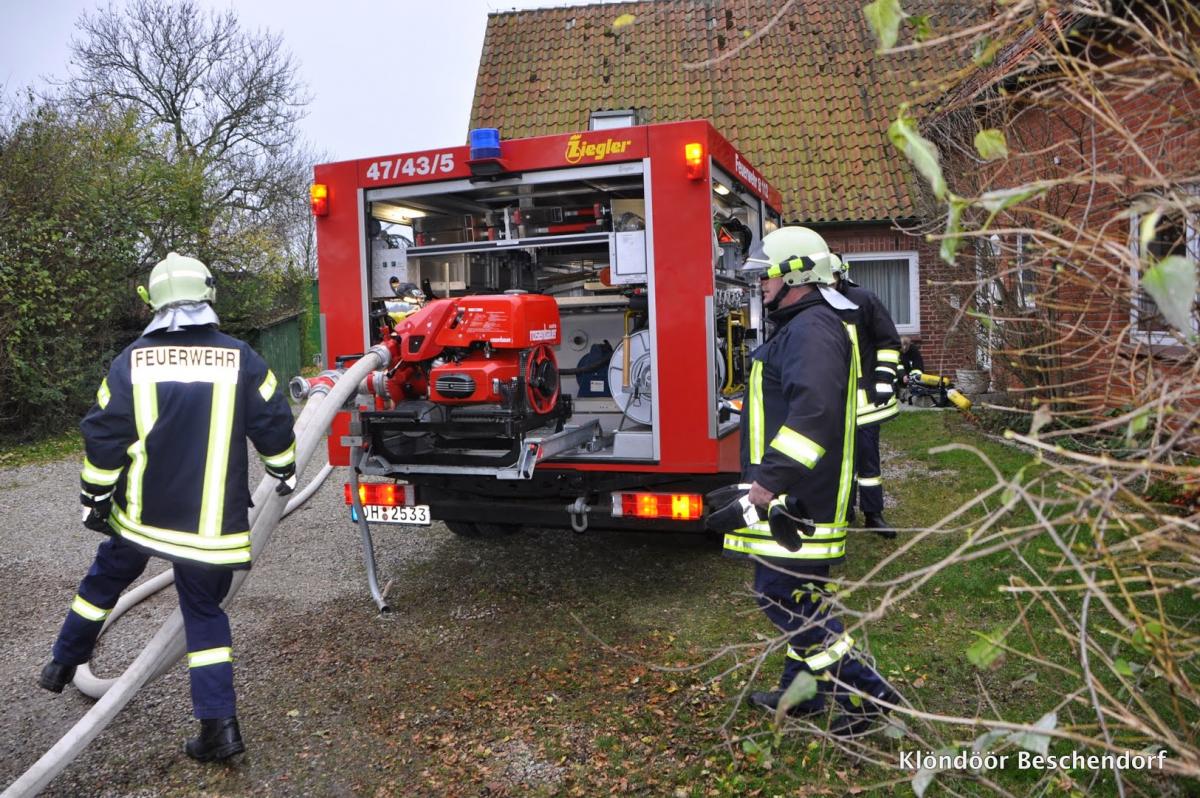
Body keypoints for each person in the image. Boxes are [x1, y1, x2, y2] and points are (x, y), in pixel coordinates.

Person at [39, 253, 297, 762]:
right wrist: (283, 470)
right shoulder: (241, 357)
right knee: (203, 615)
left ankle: (62, 663)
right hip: (208, 528)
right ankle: (219, 729)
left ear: (151, 302)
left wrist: (94, 498)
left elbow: (104, 437)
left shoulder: (131, 361)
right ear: (209, 294)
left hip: (140, 518)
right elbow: (273, 423)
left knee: (103, 582)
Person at [720, 227, 899, 736]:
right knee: (804, 594)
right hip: (800, 493)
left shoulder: (811, 330)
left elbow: (814, 414)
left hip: (800, 498)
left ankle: (868, 695)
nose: (759, 284)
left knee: (782, 594)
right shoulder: (806, 324)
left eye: (767, 275)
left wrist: (765, 486)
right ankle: (803, 692)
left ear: (796, 275)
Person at [830, 255, 901, 539]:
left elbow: (888, 341)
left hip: (865, 403)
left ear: (842, 275)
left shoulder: (864, 300)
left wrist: (884, 379)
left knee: (868, 463)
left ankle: (873, 515)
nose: (828, 285)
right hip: (830, 402)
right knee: (835, 462)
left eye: (832, 278)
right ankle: (842, 511)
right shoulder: (815, 304)